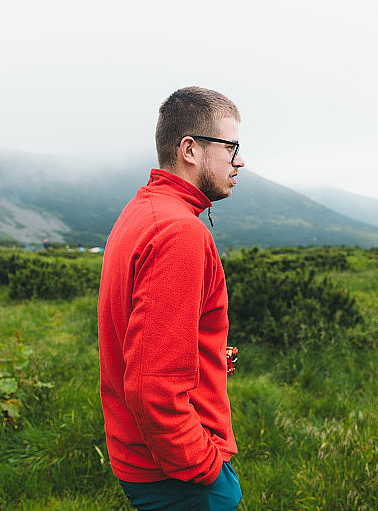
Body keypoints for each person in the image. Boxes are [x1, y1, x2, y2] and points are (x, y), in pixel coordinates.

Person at [98, 86, 245, 510]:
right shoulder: (179, 232)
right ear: (190, 149)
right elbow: (152, 385)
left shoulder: (143, 210)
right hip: (175, 474)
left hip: (143, 457)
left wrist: (211, 355)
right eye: (231, 147)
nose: (240, 161)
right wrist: (205, 469)